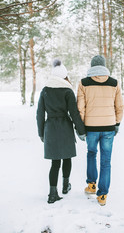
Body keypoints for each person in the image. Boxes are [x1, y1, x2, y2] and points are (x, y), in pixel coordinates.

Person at [36, 59, 86, 204]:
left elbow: (40, 113)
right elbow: (74, 113)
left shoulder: (45, 90)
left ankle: (52, 193)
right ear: (64, 76)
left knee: (55, 162)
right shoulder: (67, 90)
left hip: (50, 127)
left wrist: (41, 132)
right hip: (65, 127)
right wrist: (81, 130)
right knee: (67, 158)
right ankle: (65, 186)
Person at [77, 55, 124, 206]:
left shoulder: (84, 83)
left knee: (91, 154)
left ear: (92, 66)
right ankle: (103, 195)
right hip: (109, 127)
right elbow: (120, 106)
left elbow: (80, 108)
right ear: (104, 66)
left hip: (91, 128)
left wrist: (81, 128)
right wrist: (117, 123)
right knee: (106, 161)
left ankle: (91, 185)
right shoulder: (114, 83)